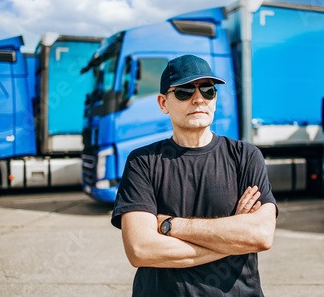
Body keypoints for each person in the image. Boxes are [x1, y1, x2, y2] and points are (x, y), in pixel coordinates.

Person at [111, 54, 277, 296]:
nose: (199, 99)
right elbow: (140, 250)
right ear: (163, 103)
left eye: (209, 90)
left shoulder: (246, 156)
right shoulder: (142, 162)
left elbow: (260, 235)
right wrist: (232, 240)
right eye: (184, 91)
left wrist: (169, 225)